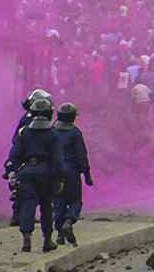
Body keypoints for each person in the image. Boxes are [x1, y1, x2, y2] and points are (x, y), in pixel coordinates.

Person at [7, 98, 61, 253]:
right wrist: (60, 177)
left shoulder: (24, 132)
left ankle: (26, 239)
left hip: (27, 173)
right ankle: (47, 240)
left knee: (27, 205)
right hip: (47, 174)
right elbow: (58, 158)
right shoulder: (53, 134)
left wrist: (12, 171)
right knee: (46, 207)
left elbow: (15, 155)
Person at [6, 89, 53, 226]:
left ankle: (20, 216)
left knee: (23, 189)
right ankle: (19, 217)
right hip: (26, 158)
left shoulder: (29, 117)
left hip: (23, 156)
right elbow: (20, 139)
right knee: (23, 190)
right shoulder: (29, 119)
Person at [52, 104, 93, 246]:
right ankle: (69, 221)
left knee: (58, 202)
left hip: (55, 172)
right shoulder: (75, 133)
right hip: (71, 172)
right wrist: (87, 174)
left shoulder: (52, 131)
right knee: (75, 201)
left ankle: (59, 235)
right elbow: (82, 156)